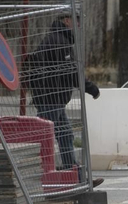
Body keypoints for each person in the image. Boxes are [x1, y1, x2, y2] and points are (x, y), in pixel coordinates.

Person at [26, 12, 101, 170]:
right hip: (51, 98)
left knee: (65, 134)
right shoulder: (60, 42)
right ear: (67, 21)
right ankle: (37, 170)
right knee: (44, 136)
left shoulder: (56, 39)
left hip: (53, 97)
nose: (78, 25)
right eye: (76, 21)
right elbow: (72, 72)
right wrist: (91, 88)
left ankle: (71, 170)